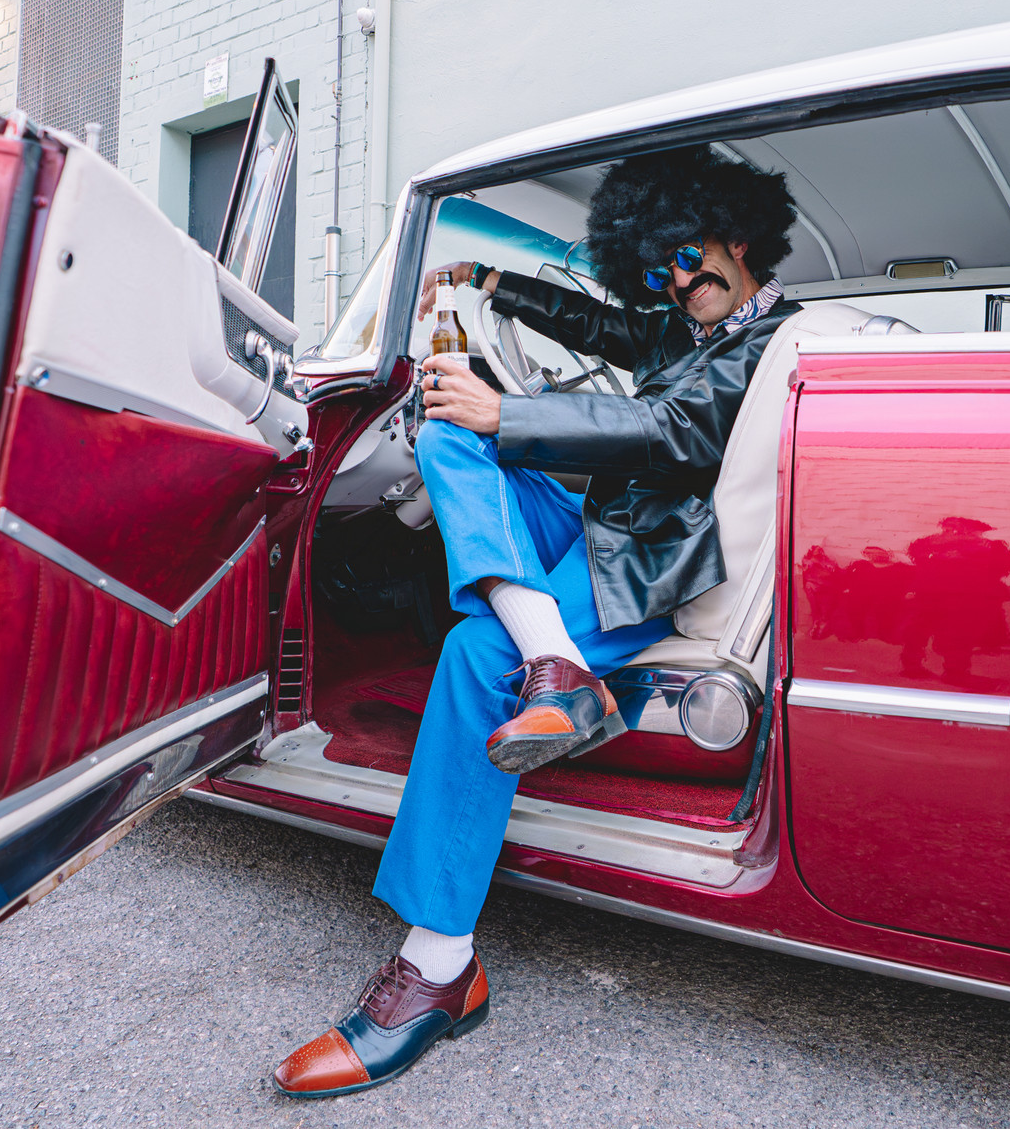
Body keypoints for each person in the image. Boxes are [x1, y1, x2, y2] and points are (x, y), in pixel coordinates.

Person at [271, 145, 803, 1098]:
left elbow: (674, 431)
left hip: (652, 560)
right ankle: (556, 660)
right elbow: (599, 323)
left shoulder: (766, 341)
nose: (678, 281)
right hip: (607, 521)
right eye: (658, 270)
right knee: (445, 427)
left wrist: (511, 411)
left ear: (736, 233)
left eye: (687, 256)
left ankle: (438, 967)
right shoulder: (681, 325)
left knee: (477, 652)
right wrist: (486, 280)